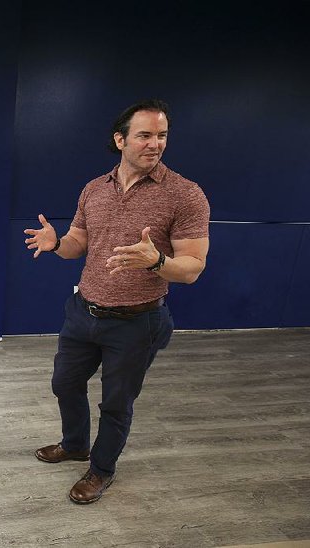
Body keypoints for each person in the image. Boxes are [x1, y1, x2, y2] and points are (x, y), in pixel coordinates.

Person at [23, 99, 210, 504]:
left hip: (136, 322)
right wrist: (57, 244)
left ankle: (101, 470)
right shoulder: (94, 189)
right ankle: (75, 444)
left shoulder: (185, 195)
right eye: (144, 135)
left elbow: (193, 267)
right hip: (83, 311)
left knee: (116, 403)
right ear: (120, 139)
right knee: (64, 383)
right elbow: (77, 245)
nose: (154, 144)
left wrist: (157, 261)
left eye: (161, 135)